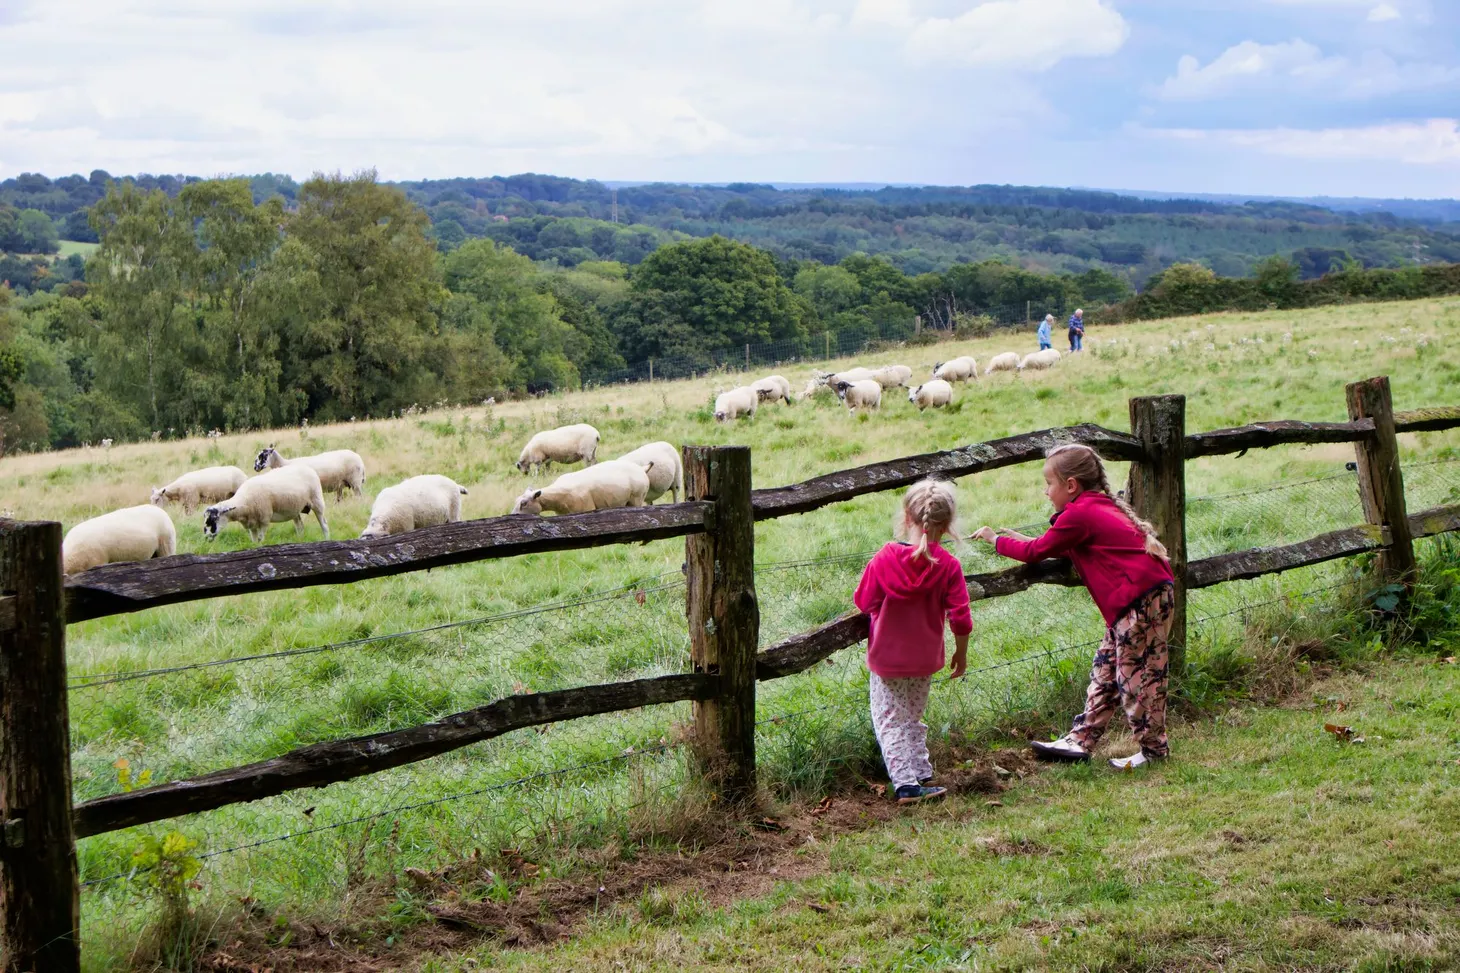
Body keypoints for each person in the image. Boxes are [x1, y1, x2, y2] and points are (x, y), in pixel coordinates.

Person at [971, 444, 1175, 769]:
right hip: (1143, 596)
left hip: (1139, 599)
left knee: (1136, 677)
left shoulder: (1080, 513)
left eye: (1049, 483)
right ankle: (1080, 741)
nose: (1045, 491)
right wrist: (1023, 539)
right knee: (1106, 670)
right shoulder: (1096, 507)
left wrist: (996, 540)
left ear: (1070, 486)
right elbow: (1060, 546)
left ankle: (1154, 751)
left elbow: (1037, 551)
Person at [853, 479, 973, 804]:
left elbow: (863, 601)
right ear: (946, 526)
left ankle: (906, 785)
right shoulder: (949, 566)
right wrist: (961, 655)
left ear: (907, 517)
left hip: (888, 659)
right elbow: (961, 617)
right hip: (924, 659)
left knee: (889, 720)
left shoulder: (885, 558)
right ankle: (921, 771)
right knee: (911, 716)